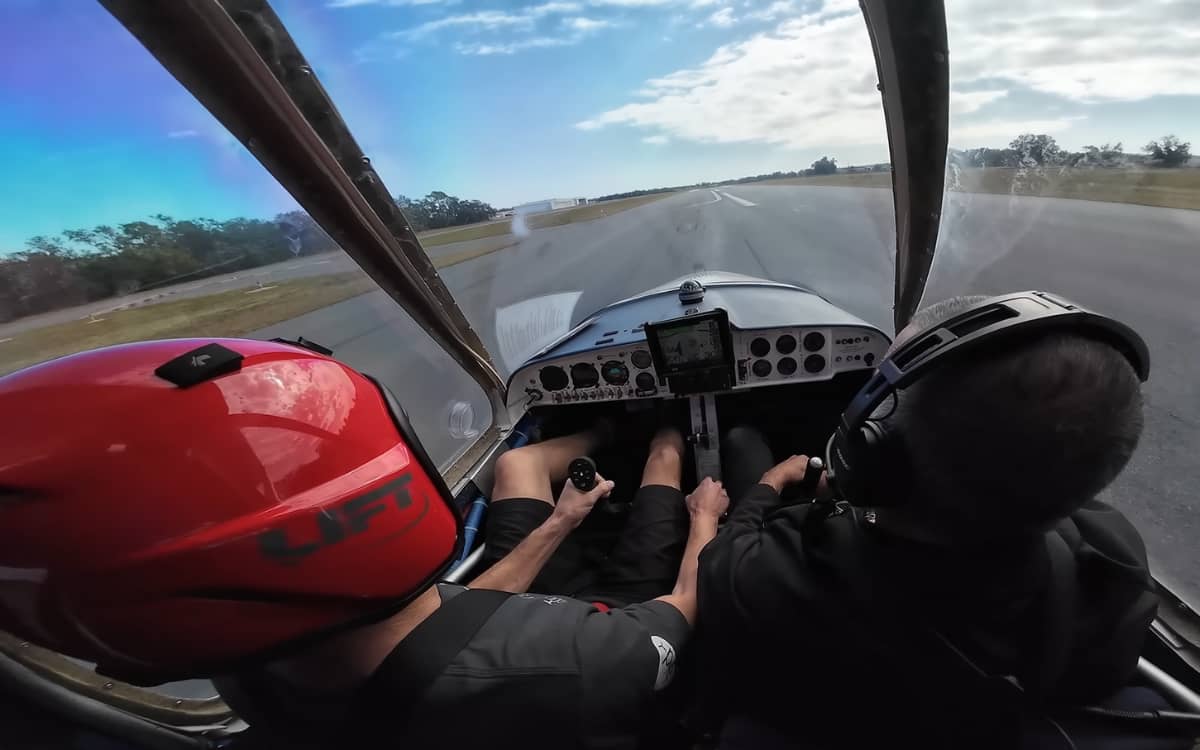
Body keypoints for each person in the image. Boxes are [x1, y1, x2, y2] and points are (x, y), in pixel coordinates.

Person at [0, 338, 729, 750]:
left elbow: (451, 625)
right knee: (668, 458)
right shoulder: (580, 664)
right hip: (590, 625)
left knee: (517, 465)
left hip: (466, 637)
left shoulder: (250, 670)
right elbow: (688, 604)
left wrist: (564, 519)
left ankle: (610, 434)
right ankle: (653, 431)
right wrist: (705, 514)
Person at [696, 295, 1160, 749]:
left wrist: (768, 485)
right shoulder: (1114, 568)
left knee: (743, 440)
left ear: (869, 455)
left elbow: (718, 556)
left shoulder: (774, 578)